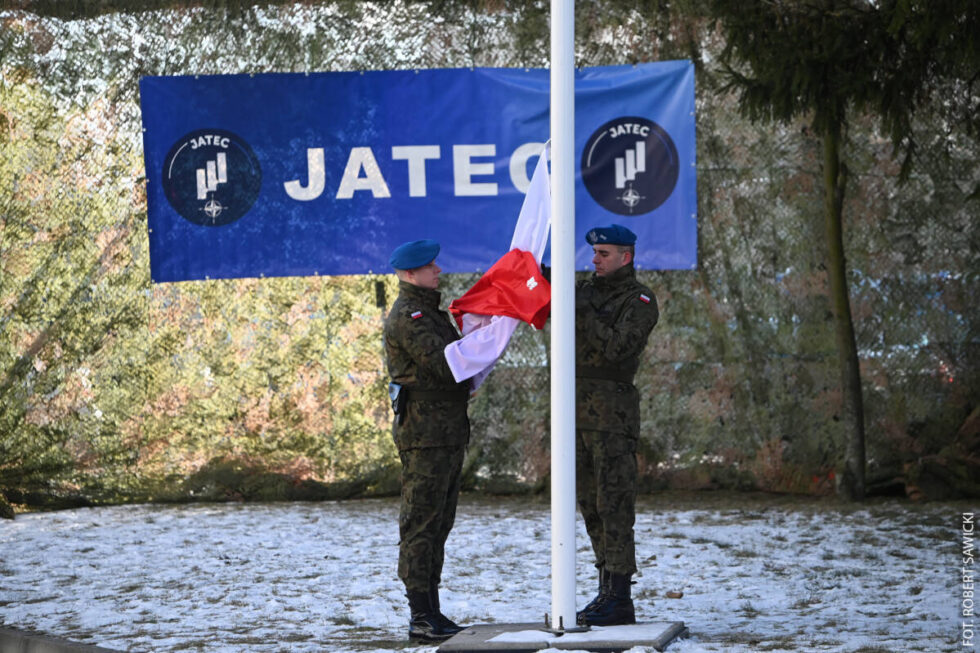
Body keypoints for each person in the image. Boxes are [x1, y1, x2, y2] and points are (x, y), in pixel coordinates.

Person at [383, 239, 471, 642]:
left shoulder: (430, 312)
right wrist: (474, 348)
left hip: (445, 431)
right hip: (424, 434)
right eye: (430, 267)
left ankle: (432, 610)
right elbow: (443, 364)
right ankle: (420, 614)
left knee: (439, 523)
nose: (438, 271)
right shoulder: (411, 315)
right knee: (421, 523)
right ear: (410, 274)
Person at [574, 224, 659, 627]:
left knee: (614, 505)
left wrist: (582, 313)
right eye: (594, 253)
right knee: (590, 505)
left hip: (612, 416)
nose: (595, 260)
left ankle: (620, 596)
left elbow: (616, 348)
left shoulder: (639, 300)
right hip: (574, 413)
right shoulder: (583, 293)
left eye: (604, 253)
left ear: (625, 257)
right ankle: (606, 589)